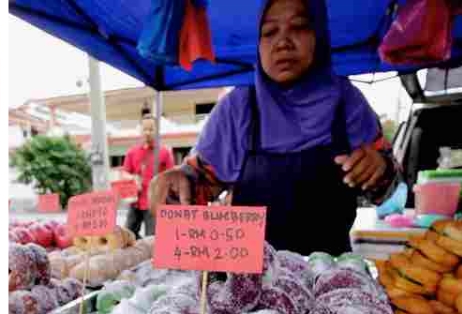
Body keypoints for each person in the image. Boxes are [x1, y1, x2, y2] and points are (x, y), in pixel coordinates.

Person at [150, 0, 399, 256]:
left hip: (331, 273)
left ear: (319, 36)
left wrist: (380, 169)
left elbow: (388, 190)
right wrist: (177, 182)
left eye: (299, 27)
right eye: (269, 32)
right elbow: (200, 185)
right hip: (247, 275)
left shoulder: (348, 103)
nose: (282, 43)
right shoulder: (238, 108)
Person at [122, 113, 174, 238]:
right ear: (140, 130)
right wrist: (132, 178)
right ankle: (140, 246)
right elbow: (124, 173)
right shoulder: (132, 152)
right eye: (145, 129)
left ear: (156, 130)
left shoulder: (164, 152)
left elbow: (171, 178)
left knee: (153, 239)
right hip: (135, 202)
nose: (147, 132)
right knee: (126, 236)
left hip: (154, 203)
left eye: (151, 129)